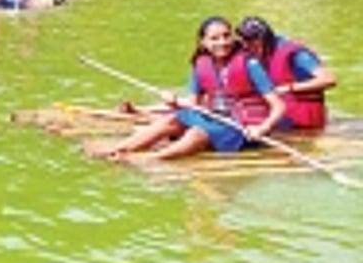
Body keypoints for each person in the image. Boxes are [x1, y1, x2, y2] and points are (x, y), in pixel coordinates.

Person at [93, 16, 286, 161]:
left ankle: (151, 159)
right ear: (203, 42)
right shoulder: (201, 64)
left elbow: (278, 106)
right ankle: (122, 148)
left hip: (243, 127)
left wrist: (263, 127)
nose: (223, 42)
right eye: (215, 38)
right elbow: (191, 104)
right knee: (172, 119)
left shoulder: (249, 64)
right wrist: (173, 100)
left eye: (227, 36)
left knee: (197, 133)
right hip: (216, 119)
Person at [236, 16, 336, 130]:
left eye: (252, 39)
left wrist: (289, 88)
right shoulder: (252, 54)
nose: (246, 45)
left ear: (265, 39)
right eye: (243, 40)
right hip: (280, 114)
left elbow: (329, 79)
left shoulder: (296, 55)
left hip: (302, 116)